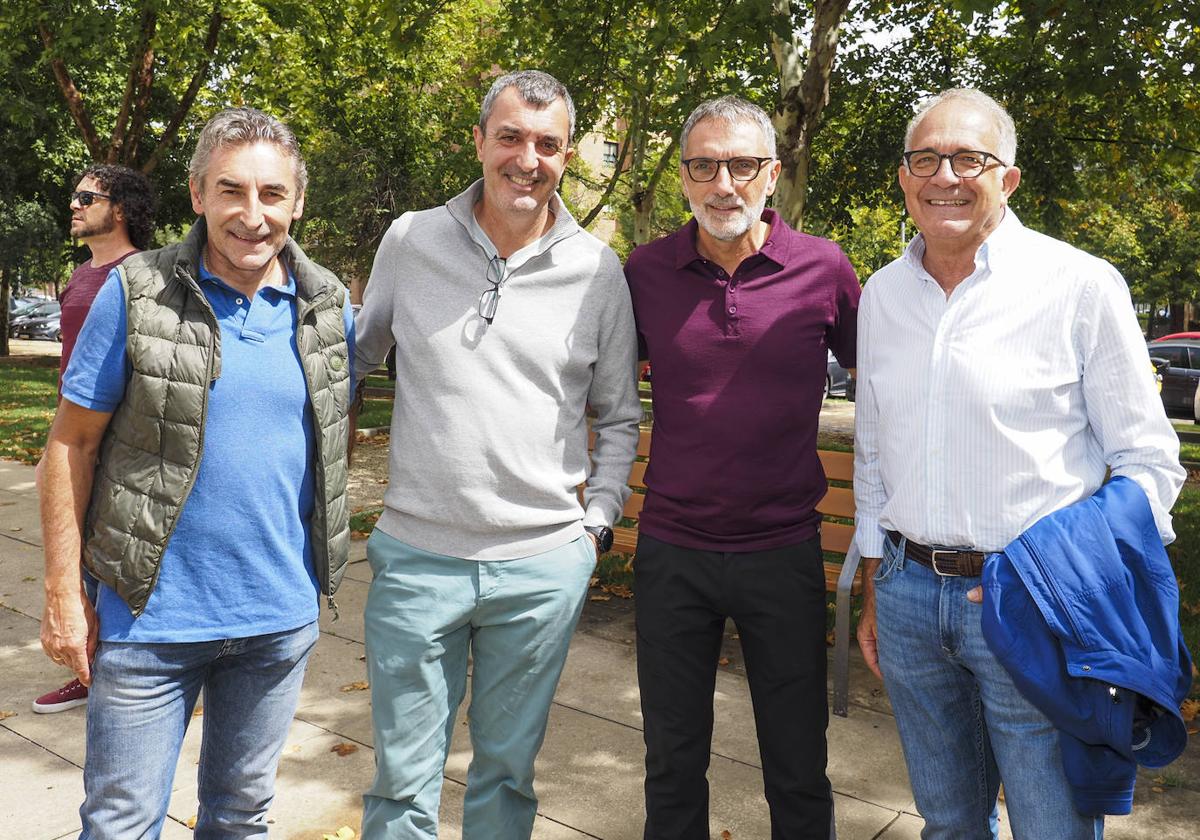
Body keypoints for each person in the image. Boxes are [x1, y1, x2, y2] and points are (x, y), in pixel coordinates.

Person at [853, 87, 1184, 839]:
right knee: (946, 823)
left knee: (1053, 828)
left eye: (969, 157)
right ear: (904, 179)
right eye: (925, 158)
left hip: (1031, 609)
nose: (945, 175)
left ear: (1008, 179)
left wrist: (1053, 578)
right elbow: (874, 453)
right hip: (908, 597)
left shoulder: (1079, 286)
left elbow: (1150, 466)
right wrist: (876, 585)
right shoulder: (881, 294)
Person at [38, 107, 355, 836]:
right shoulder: (135, 292)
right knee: (120, 822)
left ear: (297, 202)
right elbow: (69, 446)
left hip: (277, 622)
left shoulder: (328, 305)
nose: (252, 214)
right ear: (196, 194)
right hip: (149, 621)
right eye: (231, 190)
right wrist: (62, 591)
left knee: (241, 816)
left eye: (272, 194)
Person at [353, 69, 640, 838]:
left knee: (507, 779)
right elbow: (351, 361)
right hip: (417, 557)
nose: (527, 158)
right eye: (510, 137)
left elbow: (618, 417)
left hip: (543, 567)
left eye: (547, 144)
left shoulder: (598, 272)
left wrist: (595, 529)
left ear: (567, 155)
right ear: (478, 141)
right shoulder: (412, 240)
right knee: (401, 785)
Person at [624, 95, 860, 840]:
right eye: (703, 165)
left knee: (797, 762)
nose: (723, 183)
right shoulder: (645, 271)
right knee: (671, 760)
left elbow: (891, 384)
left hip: (782, 553)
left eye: (742, 164)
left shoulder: (823, 267)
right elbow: (585, 384)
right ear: (684, 178)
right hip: (672, 552)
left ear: (772, 174)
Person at [32, 164, 157, 715]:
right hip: (74, 425)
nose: (75, 205)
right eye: (75, 195)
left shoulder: (142, 275)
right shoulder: (83, 275)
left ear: (122, 209)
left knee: (106, 557)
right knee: (71, 548)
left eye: (88, 196)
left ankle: (110, 673)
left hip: (120, 440)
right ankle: (86, 667)